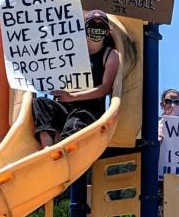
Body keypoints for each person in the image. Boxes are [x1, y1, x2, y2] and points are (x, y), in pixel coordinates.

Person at [32, 10, 119, 147]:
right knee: (41, 102)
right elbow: (40, 43)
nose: (96, 29)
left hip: (89, 109)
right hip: (65, 106)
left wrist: (72, 96)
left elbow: (105, 88)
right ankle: (47, 149)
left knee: (77, 120)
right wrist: (21, 2)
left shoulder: (110, 55)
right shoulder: (70, 49)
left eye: (100, 26)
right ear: (84, 28)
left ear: (107, 31)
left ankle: (62, 150)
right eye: (92, 25)